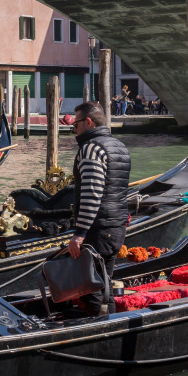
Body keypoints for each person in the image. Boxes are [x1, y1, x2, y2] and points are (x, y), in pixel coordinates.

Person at [67, 101, 131, 316]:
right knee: (104, 284)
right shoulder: (119, 146)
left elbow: (92, 193)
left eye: (75, 124)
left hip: (97, 229)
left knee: (91, 287)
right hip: (116, 226)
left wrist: (80, 233)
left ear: (88, 122)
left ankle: (102, 334)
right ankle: (109, 326)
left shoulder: (92, 149)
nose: (74, 129)